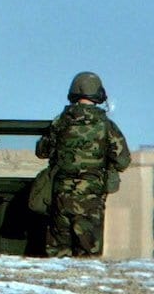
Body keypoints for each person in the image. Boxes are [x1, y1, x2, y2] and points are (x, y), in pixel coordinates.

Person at [34, 71, 130, 257]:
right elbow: (123, 161)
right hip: (90, 198)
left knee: (58, 255)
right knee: (87, 255)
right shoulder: (106, 126)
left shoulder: (60, 123)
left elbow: (42, 151)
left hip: (60, 195)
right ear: (99, 94)